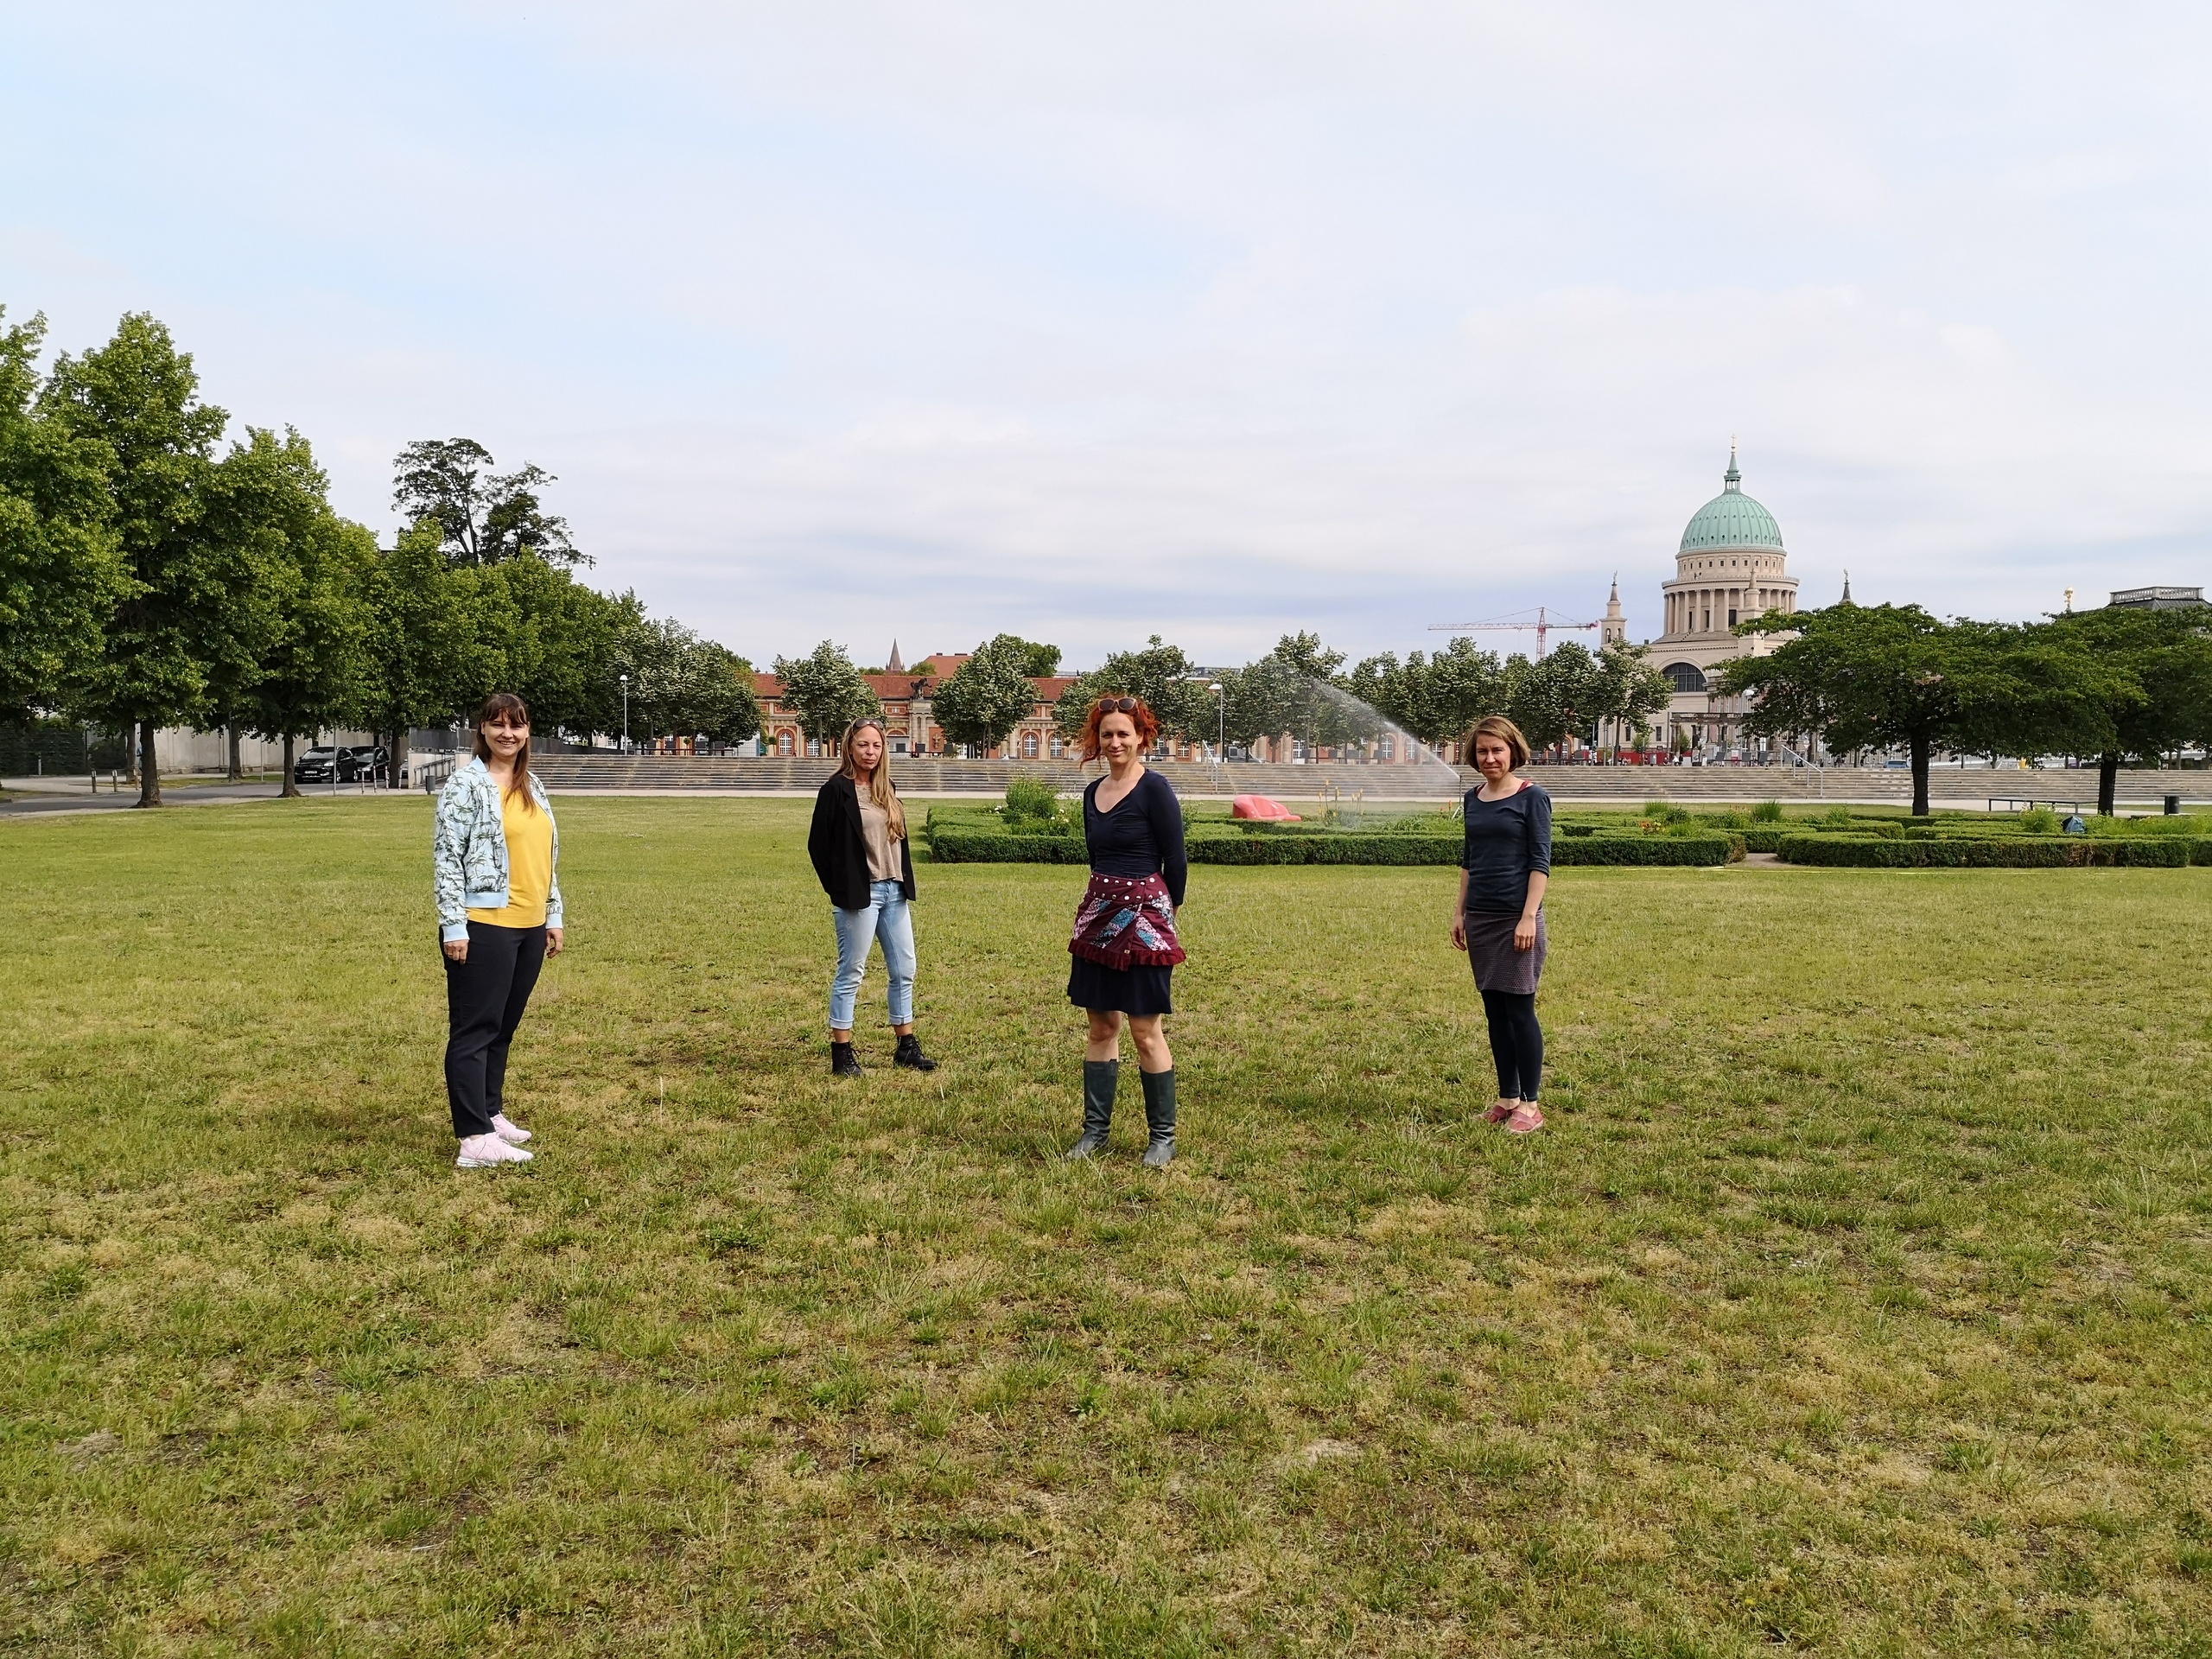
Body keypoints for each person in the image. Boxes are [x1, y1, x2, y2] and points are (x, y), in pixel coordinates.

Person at [434, 692, 563, 1169]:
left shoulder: (533, 785)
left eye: (518, 725)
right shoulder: (465, 785)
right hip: (482, 925)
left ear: (528, 731)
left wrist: (553, 915)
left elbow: (547, 855)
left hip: (529, 926)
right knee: (475, 1030)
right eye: (498, 724)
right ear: (482, 730)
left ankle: (490, 1112)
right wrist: (454, 925)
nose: (508, 733)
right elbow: (447, 860)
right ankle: (473, 1138)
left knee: (503, 1028)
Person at [1065, 695, 1186, 1166]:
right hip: (1097, 919)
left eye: (1124, 734)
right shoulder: (1091, 792)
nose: (1115, 742)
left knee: (1144, 1029)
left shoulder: (1155, 789)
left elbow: (1175, 860)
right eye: (1107, 734)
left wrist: (1165, 914)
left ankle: (1163, 1137)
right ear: (1098, 739)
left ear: (1141, 738)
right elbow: (1096, 856)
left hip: (1145, 922)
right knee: (1101, 1026)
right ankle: (1095, 1132)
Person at [808, 716, 936, 1077]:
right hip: (860, 895)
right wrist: (841, 889)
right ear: (850, 746)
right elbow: (818, 846)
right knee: (852, 970)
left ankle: (906, 1046)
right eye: (863, 744)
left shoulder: (886, 787)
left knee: (904, 969)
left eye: (877, 745)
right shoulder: (836, 789)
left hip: (894, 889)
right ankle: (842, 1052)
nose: (871, 751)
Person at [1451, 714, 1551, 1135]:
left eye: (1497, 750)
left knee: (1519, 1011)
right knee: (1494, 1011)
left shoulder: (1533, 797)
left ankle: (1531, 1105)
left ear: (1513, 751)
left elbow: (1540, 862)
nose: (1490, 758)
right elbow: (1469, 860)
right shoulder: (1472, 798)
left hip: (1517, 919)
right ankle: (1507, 1098)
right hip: (1481, 918)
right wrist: (1459, 912)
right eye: (1482, 751)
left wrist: (1528, 916)